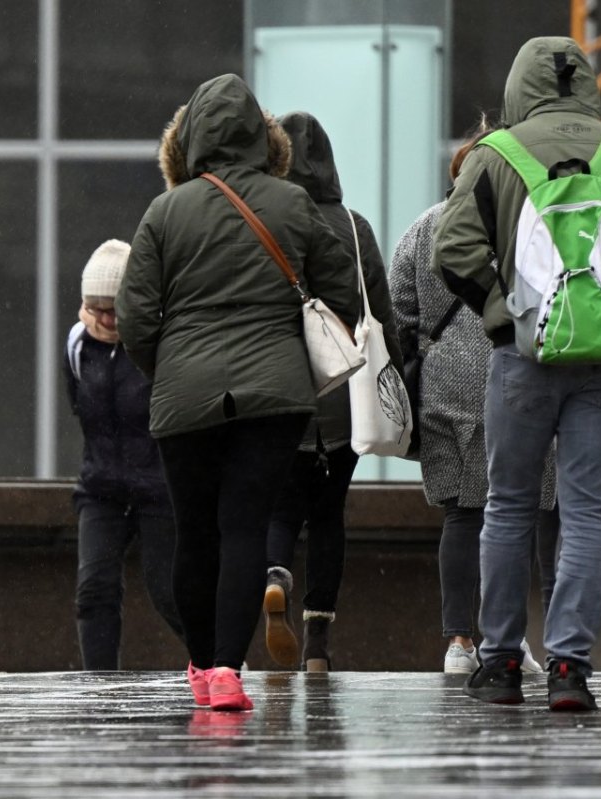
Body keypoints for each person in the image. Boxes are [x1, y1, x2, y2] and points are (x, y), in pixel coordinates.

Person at [117, 74, 360, 711]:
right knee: (246, 528)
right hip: (273, 398)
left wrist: (169, 368)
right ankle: (228, 670)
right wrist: (288, 355)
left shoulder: (164, 213)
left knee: (194, 531)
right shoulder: (292, 204)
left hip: (184, 397)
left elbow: (136, 319)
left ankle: (199, 666)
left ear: (187, 142)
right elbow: (345, 296)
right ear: (264, 139)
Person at [434, 37, 601, 711]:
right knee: (584, 510)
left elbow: (453, 247)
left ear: (521, 85)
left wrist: (504, 317)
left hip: (523, 358)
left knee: (509, 504)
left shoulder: (497, 155)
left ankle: (498, 660)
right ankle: (569, 668)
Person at [390, 123, 558, 676]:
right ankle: (508, 639)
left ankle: (458, 643)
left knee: (463, 516)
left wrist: (426, 357)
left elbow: (401, 313)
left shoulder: (423, 229)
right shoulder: (527, 222)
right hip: (522, 372)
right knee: (520, 512)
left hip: (446, 386)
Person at [262, 111, 404, 673]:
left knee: (280, 505)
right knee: (329, 515)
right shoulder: (352, 224)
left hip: (283, 386)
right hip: (345, 393)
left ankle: (275, 573)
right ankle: (318, 644)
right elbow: (381, 310)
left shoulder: (268, 221)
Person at [64, 239, 184, 670]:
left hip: (157, 487)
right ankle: (99, 682)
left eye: (115, 309)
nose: (107, 319)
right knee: (94, 588)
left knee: (169, 591)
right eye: (97, 309)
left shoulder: (157, 343)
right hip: (101, 487)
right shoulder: (78, 345)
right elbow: (81, 409)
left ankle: (217, 663)